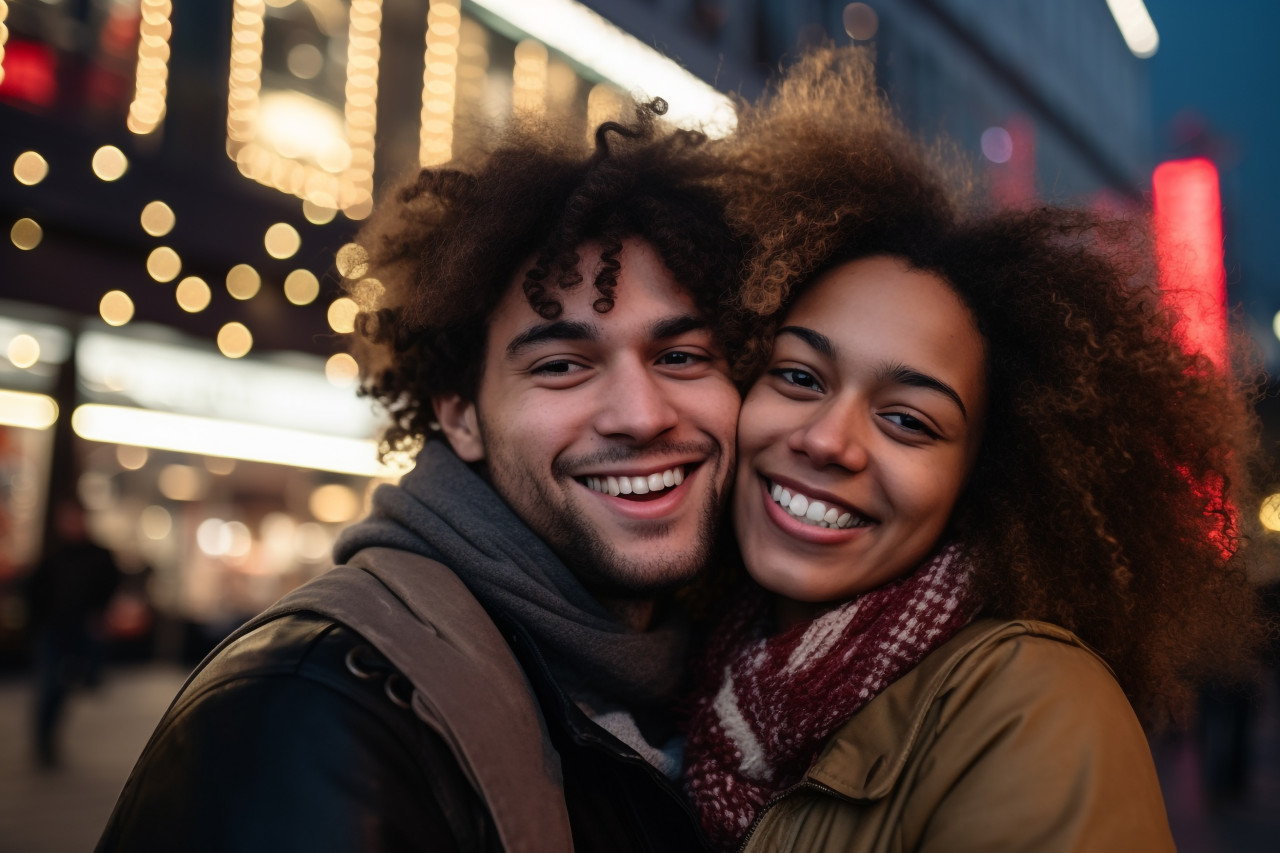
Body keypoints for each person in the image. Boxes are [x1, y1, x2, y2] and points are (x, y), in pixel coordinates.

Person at [97, 101, 743, 852]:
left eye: (682, 356)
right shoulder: (313, 710)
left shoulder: (727, 687)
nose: (640, 414)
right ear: (461, 416)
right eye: (562, 366)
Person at [679, 48, 1264, 852]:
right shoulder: (701, 674)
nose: (825, 438)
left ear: (984, 479)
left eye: (909, 421)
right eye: (799, 376)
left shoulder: (1036, 710)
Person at [25, 497, 122, 767]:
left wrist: (99, 613)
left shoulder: (99, 555)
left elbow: (111, 584)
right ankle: (44, 742)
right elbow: (35, 592)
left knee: (67, 685)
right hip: (54, 631)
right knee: (50, 687)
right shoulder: (54, 556)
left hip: (81, 632)